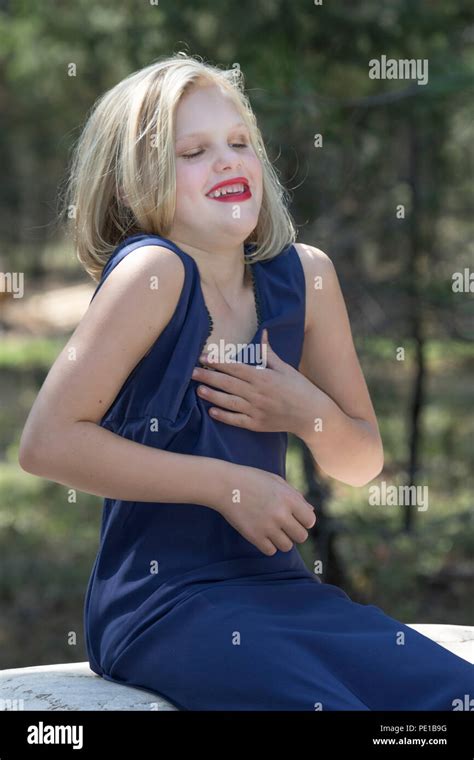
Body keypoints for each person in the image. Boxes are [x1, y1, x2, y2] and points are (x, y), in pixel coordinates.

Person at [19, 53, 473, 711]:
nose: (229, 161)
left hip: (281, 590)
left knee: (456, 697)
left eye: (239, 143)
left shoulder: (306, 276)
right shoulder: (153, 273)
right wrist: (228, 485)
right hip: (161, 603)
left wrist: (306, 409)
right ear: (130, 185)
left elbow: (362, 461)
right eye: (195, 151)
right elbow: (47, 443)